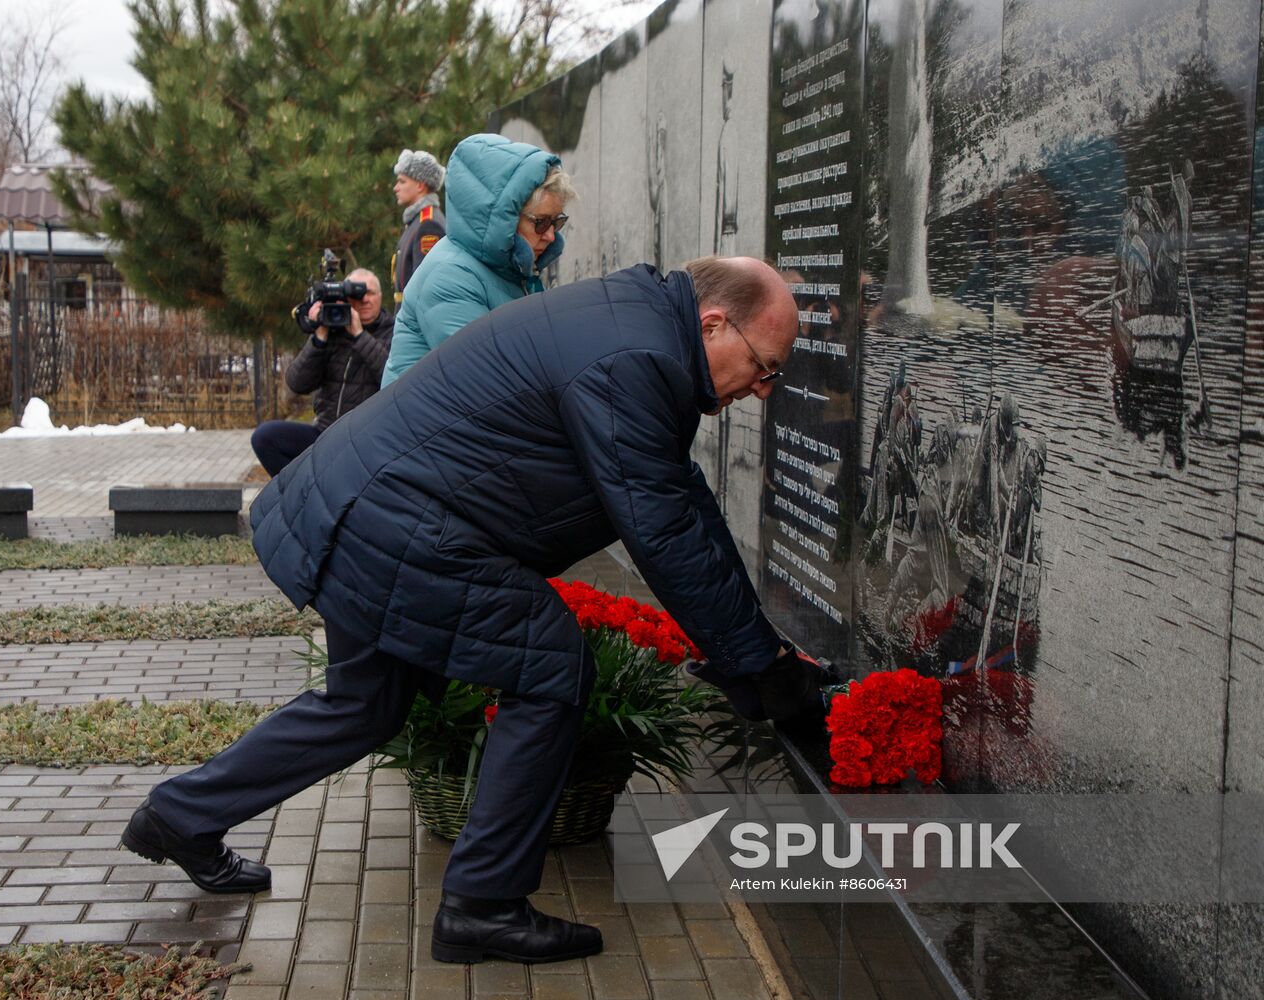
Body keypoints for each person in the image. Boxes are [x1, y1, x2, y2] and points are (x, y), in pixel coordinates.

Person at [120, 256, 835, 965]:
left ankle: (179, 817)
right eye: (765, 366)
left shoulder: (640, 327)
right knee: (550, 666)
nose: (765, 390)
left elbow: (682, 501)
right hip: (397, 522)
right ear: (714, 324)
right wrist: (762, 669)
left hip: (369, 505)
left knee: (364, 705)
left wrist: (761, 654)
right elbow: (666, 533)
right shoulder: (635, 356)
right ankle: (484, 905)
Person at [380, 132, 574, 387]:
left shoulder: (507, 269)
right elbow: (489, 384)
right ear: (504, 218)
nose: (550, 236)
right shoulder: (450, 276)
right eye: (541, 222)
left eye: (556, 221)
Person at [249, 268, 394, 477]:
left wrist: (359, 336)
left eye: (370, 293)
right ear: (344, 298)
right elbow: (297, 383)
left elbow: (391, 376)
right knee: (265, 437)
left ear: (381, 297)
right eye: (357, 295)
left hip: (366, 441)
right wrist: (319, 338)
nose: (364, 300)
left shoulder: (394, 332)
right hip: (325, 433)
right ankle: (300, 500)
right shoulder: (332, 331)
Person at [390, 148, 447, 309]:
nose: (396, 187)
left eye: (402, 181)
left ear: (420, 186)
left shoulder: (429, 225)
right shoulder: (416, 221)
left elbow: (425, 288)